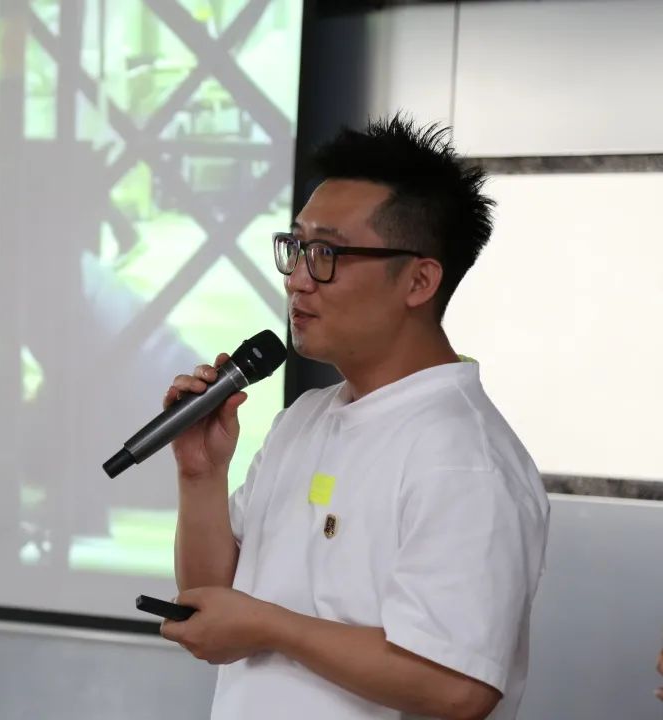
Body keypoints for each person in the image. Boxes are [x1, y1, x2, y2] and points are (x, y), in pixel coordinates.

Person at [160, 116, 549, 719]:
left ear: (419, 280)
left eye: (326, 254)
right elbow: (210, 602)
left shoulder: (464, 456)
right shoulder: (304, 420)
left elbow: (459, 687)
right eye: (295, 248)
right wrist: (201, 476)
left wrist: (271, 626)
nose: (297, 279)